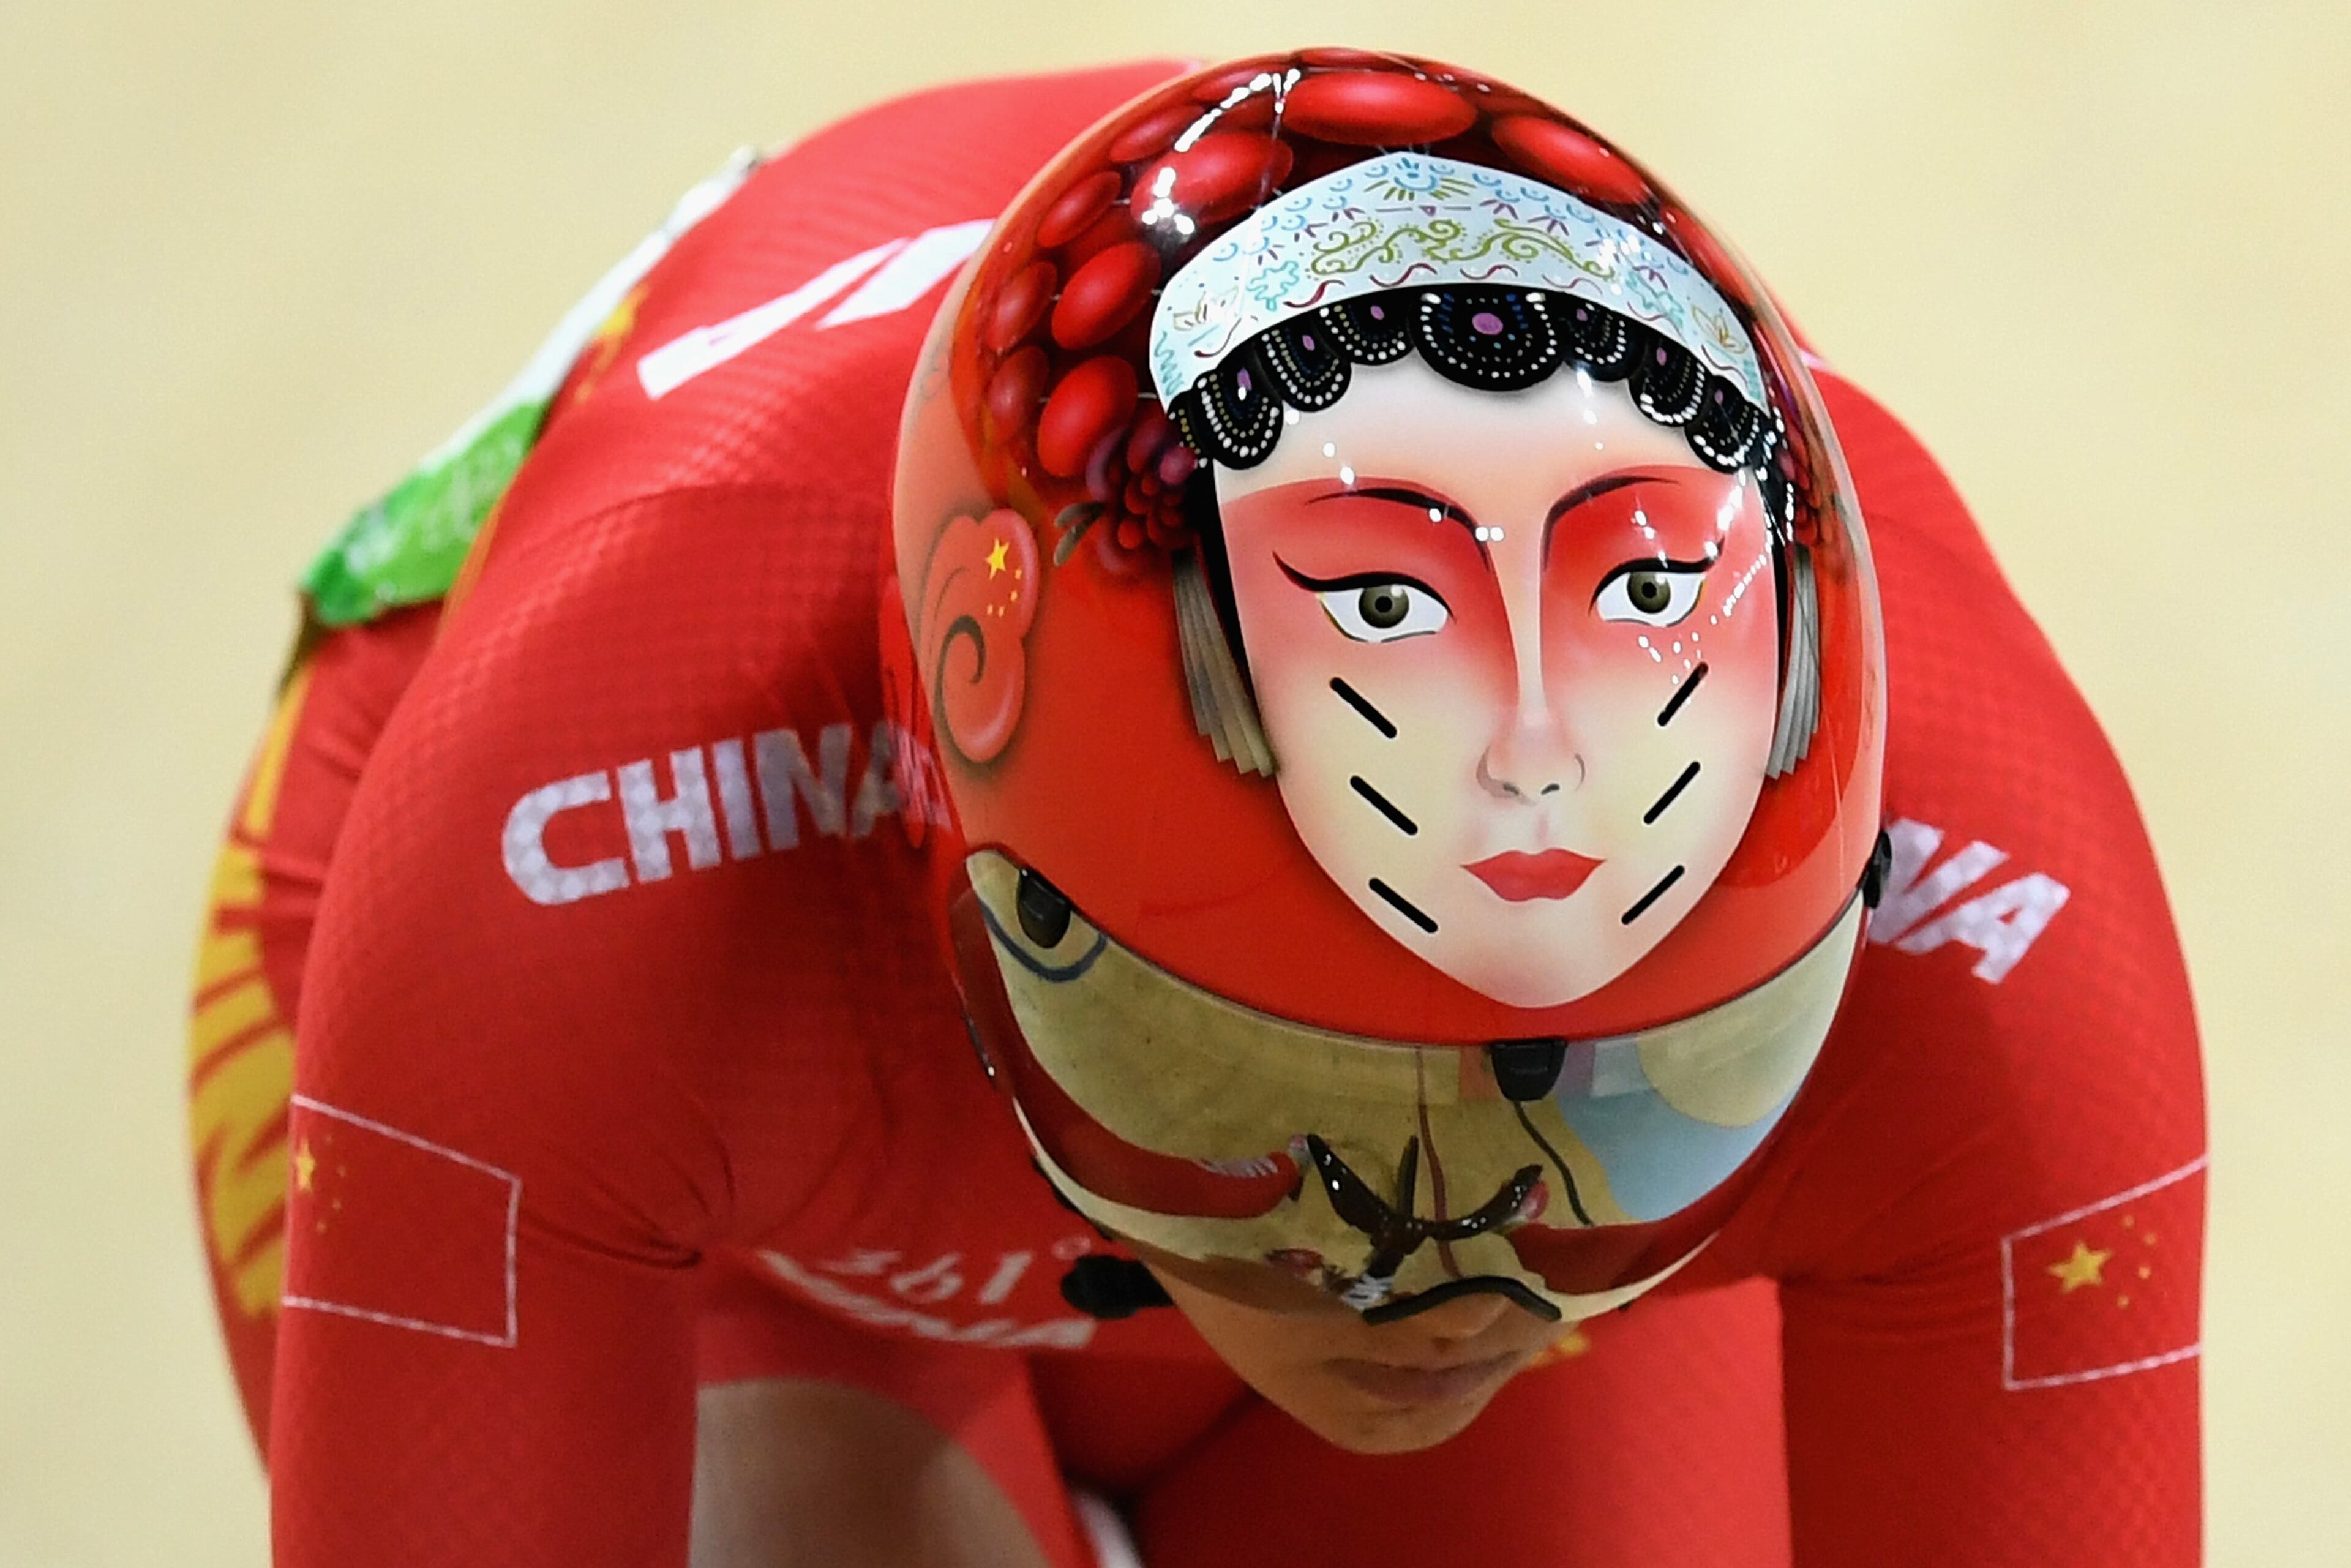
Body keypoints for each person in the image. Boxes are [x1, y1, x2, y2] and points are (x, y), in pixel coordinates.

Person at [184, 51, 2205, 1567]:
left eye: (1625, 1083)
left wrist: (1275, 1115)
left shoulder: (1993, 923)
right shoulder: (588, 828)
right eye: (1247, 1093)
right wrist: (1599, 1130)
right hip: (718, 1170)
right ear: (959, 845)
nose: (1432, 1273)